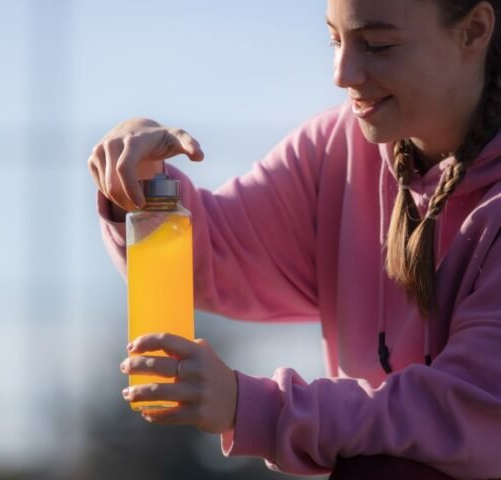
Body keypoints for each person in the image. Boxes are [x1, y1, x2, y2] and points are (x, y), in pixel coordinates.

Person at [88, 0, 501, 478]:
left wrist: (253, 406)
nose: (343, 73)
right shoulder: (335, 152)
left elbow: (471, 414)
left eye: (377, 45)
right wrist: (141, 187)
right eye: (334, 40)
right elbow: (218, 256)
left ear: (474, 30)